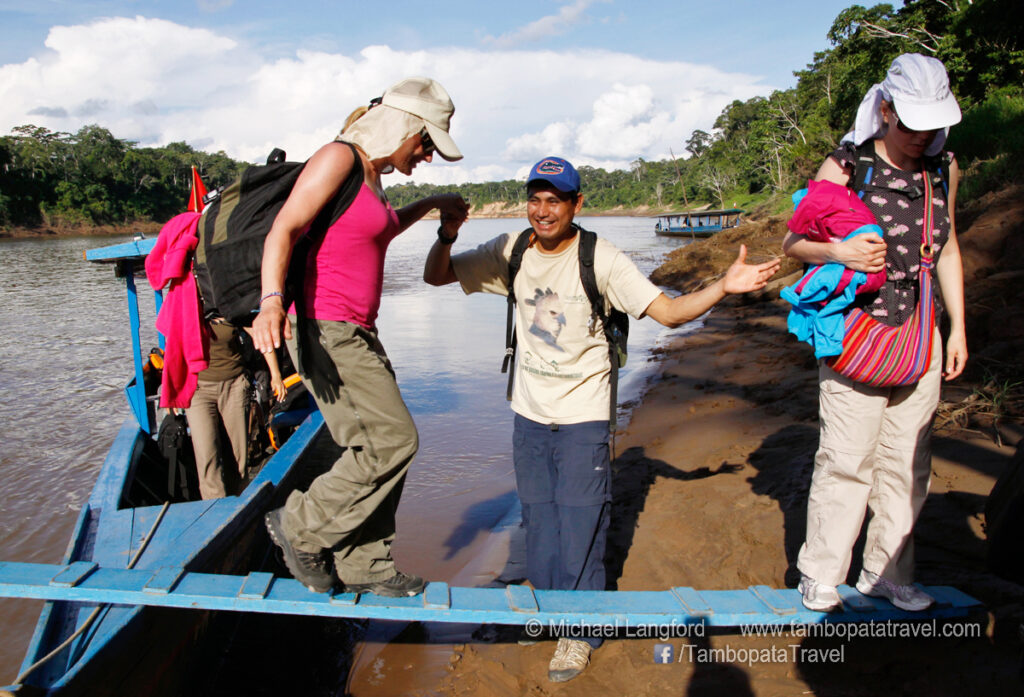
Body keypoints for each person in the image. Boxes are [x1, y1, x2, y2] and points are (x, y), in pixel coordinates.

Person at [424, 156, 779, 682]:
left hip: (584, 413)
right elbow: (436, 276)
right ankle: (548, 610)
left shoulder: (602, 259)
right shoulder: (511, 250)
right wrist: (447, 234)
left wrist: (724, 286)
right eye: (535, 199)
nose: (543, 211)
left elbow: (670, 313)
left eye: (555, 200)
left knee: (582, 521)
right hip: (528, 411)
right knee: (539, 518)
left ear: (576, 204)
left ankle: (581, 630)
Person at [250, 77, 469, 597]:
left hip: (356, 331)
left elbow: (381, 229)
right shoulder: (338, 158)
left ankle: (365, 564)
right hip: (329, 329)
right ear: (404, 126)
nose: (427, 156)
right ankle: (300, 524)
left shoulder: (369, 176)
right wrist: (271, 301)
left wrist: (434, 204)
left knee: (374, 444)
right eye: (425, 143)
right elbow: (284, 228)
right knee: (393, 442)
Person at [782, 53, 968, 612]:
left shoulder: (945, 167)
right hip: (855, 330)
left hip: (920, 332)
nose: (922, 135)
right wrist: (836, 250)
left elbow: (948, 246)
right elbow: (794, 245)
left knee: (909, 461)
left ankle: (887, 573)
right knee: (846, 458)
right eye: (911, 122)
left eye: (932, 124)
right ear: (885, 109)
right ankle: (820, 573)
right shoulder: (846, 166)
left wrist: (958, 328)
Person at [185, 319, 286, 499]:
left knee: (238, 458)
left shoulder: (227, 303)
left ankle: (238, 503)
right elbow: (173, 346)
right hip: (197, 390)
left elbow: (259, 334)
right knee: (208, 457)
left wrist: (276, 375)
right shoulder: (185, 305)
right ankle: (215, 509)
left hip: (233, 386)